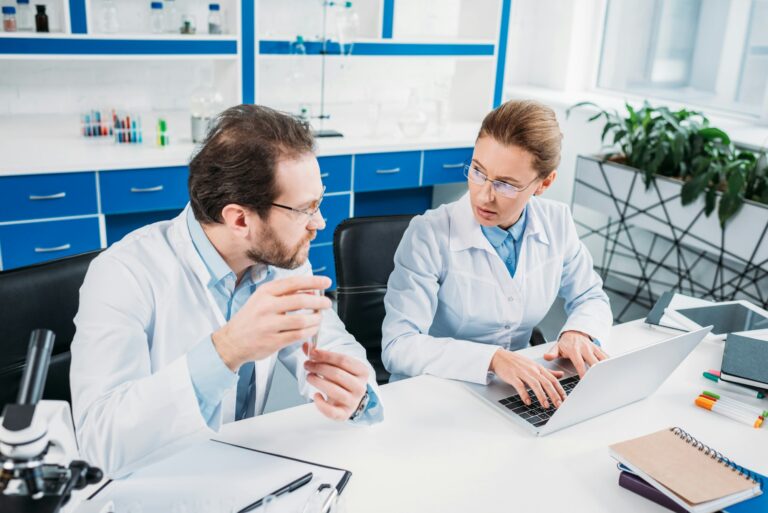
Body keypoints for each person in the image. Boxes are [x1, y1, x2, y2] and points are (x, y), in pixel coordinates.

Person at [70, 105, 382, 478]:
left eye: (319, 202)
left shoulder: (282, 257)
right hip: (155, 484)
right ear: (239, 219)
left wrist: (355, 394)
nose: (319, 222)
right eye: (305, 209)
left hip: (242, 472)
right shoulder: (124, 274)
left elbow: (328, 343)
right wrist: (227, 350)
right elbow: (99, 442)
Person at [381, 99, 612, 410]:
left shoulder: (557, 221)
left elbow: (590, 296)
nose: (484, 195)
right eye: (477, 171)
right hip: (436, 391)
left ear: (544, 183)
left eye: (506, 184)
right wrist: (492, 359)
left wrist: (579, 331)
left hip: (514, 393)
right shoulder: (429, 234)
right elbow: (398, 346)